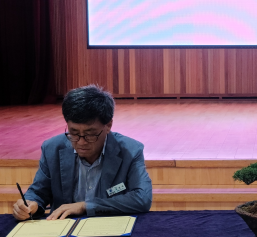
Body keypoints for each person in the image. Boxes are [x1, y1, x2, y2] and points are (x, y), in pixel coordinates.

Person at [12, 85, 152, 220]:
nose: (81, 142)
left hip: (108, 227)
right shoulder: (52, 148)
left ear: (108, 125)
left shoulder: (130, 150)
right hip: (62, 228)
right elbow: (38, 192)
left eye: (90, 134)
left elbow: (142, 198)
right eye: (74, 133)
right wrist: (30, 204)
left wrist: (85, 206)